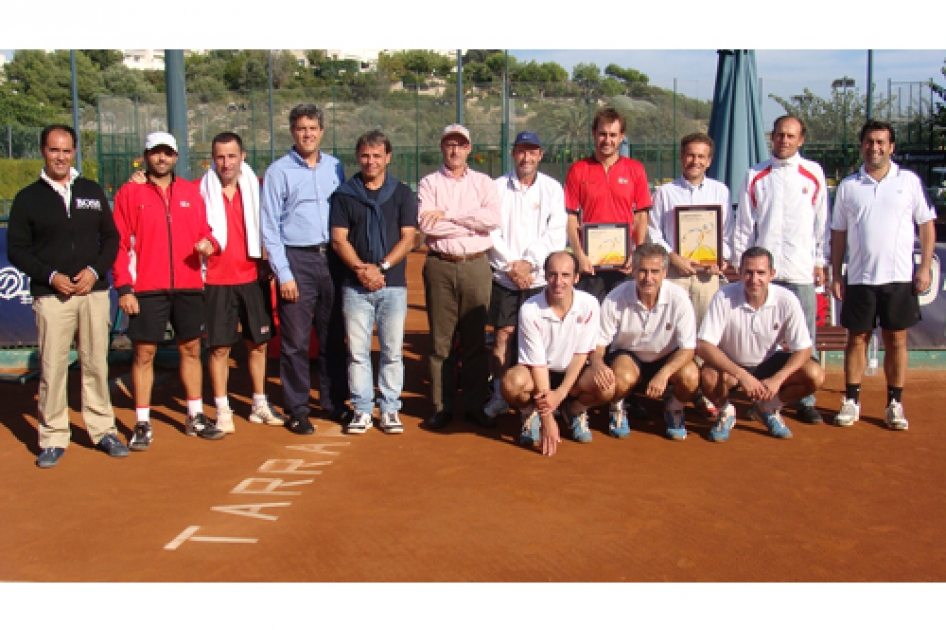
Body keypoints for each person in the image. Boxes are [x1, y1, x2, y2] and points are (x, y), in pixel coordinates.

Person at [7, 124, 126, 468]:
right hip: (51, 296)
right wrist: (50, 276)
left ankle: (103, 430)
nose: (60, 156)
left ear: (74, 152)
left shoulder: (90, 190)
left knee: (94, 363)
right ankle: (53, 437)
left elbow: (112, 239)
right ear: (43, 151)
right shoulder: (28, 198)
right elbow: (17, 249)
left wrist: (94, 271)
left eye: (66, 150)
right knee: (53, 367)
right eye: (54, 150)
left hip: (93, 292)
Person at [112, 131, 225, 450]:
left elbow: (208, 233)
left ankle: (194, 415)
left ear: (176, 157)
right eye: (155, 153)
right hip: (147, 288)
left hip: (188, 286)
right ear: (145, 156)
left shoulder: (191, 192)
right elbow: (119, 244)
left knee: (191, 350)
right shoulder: (129, 193)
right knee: (143, 354)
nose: (162, 158)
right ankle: (142, 422)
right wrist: (124, 286)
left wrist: (210, 244)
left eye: (168, 153)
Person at [830, 120, 936, 431]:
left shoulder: (909, 182)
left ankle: (894, 403)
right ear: (862, 145)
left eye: (881, 142)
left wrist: (925, 266)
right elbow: (838, 233)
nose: (874, 148)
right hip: (861, 278)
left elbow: (927, 225)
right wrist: (837, 273)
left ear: (891, 147)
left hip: (899, 279)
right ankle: (851, 400)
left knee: (897, 340)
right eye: (869, 142)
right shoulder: (849, 186)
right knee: (856, 340)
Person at [732, 115, 830, 425]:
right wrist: (740, 264)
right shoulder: (755, 175)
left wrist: (818, 261)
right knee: (761, 337)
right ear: (771, 137)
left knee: (804, 339)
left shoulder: (813, 174)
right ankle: (757, 394)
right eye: (779, 135)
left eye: (790, 136)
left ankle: (803, 399)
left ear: (801, 140)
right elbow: (745, 226)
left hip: (800, 272)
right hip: (764, 275)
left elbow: (821, 224)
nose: (784, 141)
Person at [260, 104, 348, 436]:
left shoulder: (336, 167)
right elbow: (270, 226)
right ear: (292, 132)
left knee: (332, 337)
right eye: (300, 128)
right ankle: (297, 408)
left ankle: (334, 402)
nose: (307, 134)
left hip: (333, 259)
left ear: (321, 131)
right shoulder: (278, 171)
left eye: (312, 128)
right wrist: (284, 273)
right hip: (297, 259)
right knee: (295, 341)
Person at [330, 130, 418, 435]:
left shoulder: (403, 194)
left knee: (392, 351)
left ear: (388, 158)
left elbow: (409, 238)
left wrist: (380, 267)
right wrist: (360, 270)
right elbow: (338, 239)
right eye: (366, 155)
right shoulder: (344, 194)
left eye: (377, 156)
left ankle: (390, 408)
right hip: (355, 287)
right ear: (358, 157)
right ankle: (363, 409)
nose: (371, 161)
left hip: (392, 285)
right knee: (358, 352)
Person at [197, 133, 286, 432]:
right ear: (213, 158)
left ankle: (259, 403)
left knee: (258, 344)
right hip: (217, 281)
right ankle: (223, 408)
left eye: (231, 156)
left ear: (242, 156)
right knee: (219, 348)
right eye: (220, 156)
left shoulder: (257, 189)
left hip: (253, 277)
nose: (226, 163)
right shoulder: (201, 192)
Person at [418, 123, 502, 430]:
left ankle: (476, 405)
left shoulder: (483, 183)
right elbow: (428, 226)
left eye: (461, 145)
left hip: (476, 265)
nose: (455, 150)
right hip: (440, 264)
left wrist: (449, 216)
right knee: (441, 343)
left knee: (475, 342)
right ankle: (442, 406)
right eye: (450, 145)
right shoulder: (428, 183)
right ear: (442, 147)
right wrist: (471, 222)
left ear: (469, 148)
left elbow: (492, 220)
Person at [697, 247, 825, 442]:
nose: (754, 279)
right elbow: (704, 345)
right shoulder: (723, 296)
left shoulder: (787, 300)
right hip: (732, 366)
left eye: (761, 273)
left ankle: (768, 408)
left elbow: (804, 348)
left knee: (814, 374)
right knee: (707, 375)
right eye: (748, 272)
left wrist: (778, 379)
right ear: (740, 272)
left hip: (769, 362)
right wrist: (742, 375)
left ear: (772, 274)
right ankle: (725, 412)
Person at [648, 132, 733, 421]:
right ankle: (676, 391)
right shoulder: (665, 192)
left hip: (707, 277)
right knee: (676, 332)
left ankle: (701, 392)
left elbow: (727, 232)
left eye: (701, 156)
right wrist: (672, 257)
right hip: (675, 274)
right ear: (682, 157)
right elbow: (653, 232)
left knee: (705, 333)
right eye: (690, 155)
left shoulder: (721, 192)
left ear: (709, 161)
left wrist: (721, 257)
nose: (694, 161)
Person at [484, 131, 567, 420]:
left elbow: (555, 233)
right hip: (505, 278)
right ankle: (499, 394)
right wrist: (512, 266)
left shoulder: (553, 189)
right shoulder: (495, 188)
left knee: (540, 337)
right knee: (503, 337)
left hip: (540, 279)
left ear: (540, 155)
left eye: (532, 152)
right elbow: (490, 232)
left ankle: (542, 396)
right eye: (521, 151)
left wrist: (530, 264)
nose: (526, 157)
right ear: (513, 153)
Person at [589, 243, 700, 441]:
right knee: (620, 377)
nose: (648, 278)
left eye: (655, 272)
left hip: (666, 357)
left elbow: (688, 348)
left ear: (665, 272)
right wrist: (598, 364)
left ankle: (674, 409)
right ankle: (617, 407)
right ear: (633, 271)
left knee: (691, 375)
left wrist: (664, 374)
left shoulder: (680, 298)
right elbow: (599, 345)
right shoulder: (615, 298)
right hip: (628, 357)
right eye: (642, 271)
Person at [501, 251, 606, 456]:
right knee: (512, 382)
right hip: (539, 375)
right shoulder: (530, 309)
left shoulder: (590, 304)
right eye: (553, 275)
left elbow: (581, 354)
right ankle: (530, 413)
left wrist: (560, 394)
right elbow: (537, 364)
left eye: (565, 275)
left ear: (576, 277)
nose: (558, 282)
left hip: (573, 376)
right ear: (545, 276)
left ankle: (574, 410)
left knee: (607, 386)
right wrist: (547, 418)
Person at [565, 107, 653, 303]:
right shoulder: (578, 170)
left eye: (613, 135)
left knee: (623, 323)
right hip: (590, 265)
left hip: (624, 264)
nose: (607, 140)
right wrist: (579, 255)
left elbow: (641, 216)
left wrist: (637, 254)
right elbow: (571, 217)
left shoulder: (635, 169)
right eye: (602, 134)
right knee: (590, 322)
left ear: (622, 136)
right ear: (593, 134)